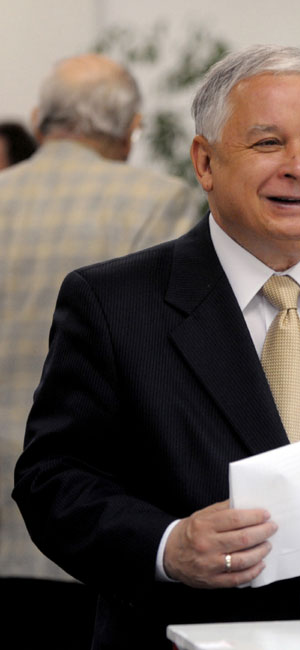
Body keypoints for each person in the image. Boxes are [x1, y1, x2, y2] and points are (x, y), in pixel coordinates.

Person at [13, 44, 300, 649]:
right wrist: (167, 545)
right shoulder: (112, 303)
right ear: (205, 163)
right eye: (268, 143)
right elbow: (51, 479)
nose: (299, 167)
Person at [0, 53, 202, 647]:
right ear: (131, 130)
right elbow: (173, 364)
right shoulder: (159, 201)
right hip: (96, 510)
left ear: (39, 119)